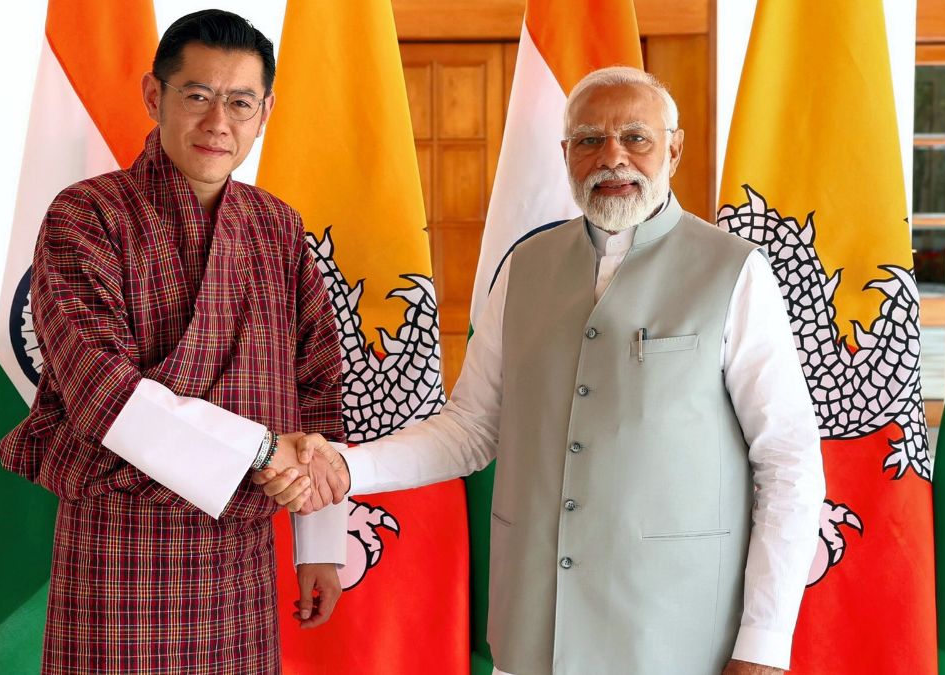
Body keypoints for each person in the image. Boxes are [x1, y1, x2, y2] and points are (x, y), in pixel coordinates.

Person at [262, 66, 825, 675]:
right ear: (565, 154)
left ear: (674, 149)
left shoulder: (734, 271)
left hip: (676, 636)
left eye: (636, 137)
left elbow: (788, 462)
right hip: (535, 630)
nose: (612, 157)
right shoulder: (525, 266)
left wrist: (763, 644)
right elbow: (471, 428)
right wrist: (347, 468)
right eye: (589, 140)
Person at [0, 10, 351, 674]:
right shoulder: (87, 215)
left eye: (240, 102)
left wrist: (320, 544)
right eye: (197, 94)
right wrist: (260, 449)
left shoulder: (277, 227)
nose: (219, 121)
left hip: (241, 555)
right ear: (153, 95)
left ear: (265, 112)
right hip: (120, 551)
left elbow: (317, 385)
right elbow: (101, 391)